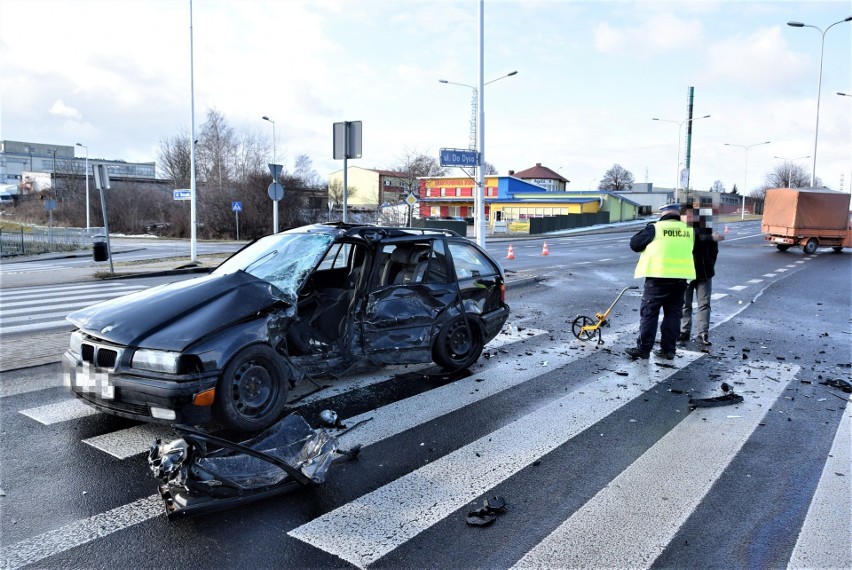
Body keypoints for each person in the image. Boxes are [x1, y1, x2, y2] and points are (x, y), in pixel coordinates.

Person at [625, 203, 696, 360]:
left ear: (662, 214)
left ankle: (643, 349)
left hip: (658, 278)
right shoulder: (689, 230)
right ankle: (668, 350)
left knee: (649, 314)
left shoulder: (656, 228)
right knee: (673, 315)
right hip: (680, 279)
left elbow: (635, 244)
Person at [679, 205, 725, 347]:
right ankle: (684, 332)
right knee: (685, 304)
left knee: (704, 304)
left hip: (704, 273)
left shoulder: (705, 229)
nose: (691, 218)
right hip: (685, 272)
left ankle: (702, 333)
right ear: (681, 216)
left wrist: (710, 264)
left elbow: (713, 249)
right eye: (688, 215)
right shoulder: (679, 230)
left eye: (693, 215)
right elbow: (693, 239)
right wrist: (709, 238)